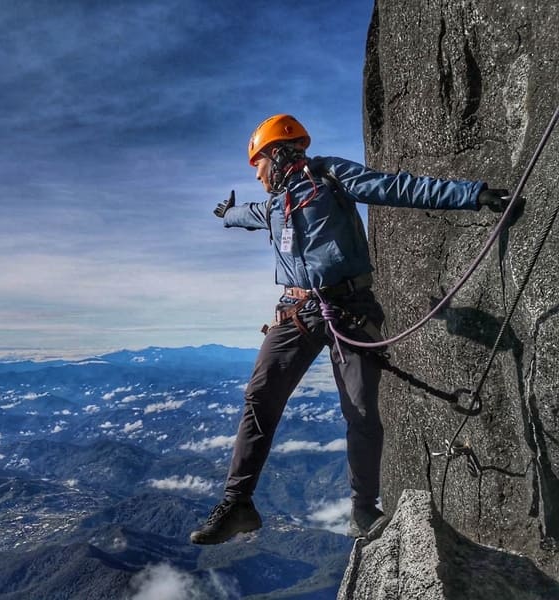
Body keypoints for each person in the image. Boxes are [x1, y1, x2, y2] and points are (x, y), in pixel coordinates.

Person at [189, 114, 512, 544]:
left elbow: (393, 187)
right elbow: (246, 215)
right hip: (295, 312)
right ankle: (238, 503)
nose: (258, 174)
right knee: (260, 396)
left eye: (258, 164)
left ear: (275, 153)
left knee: (361, 412)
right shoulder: (274, 206)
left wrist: (472, 195)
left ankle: (363, 508)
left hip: (351, 308)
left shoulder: (329, 177)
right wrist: (227, 214)